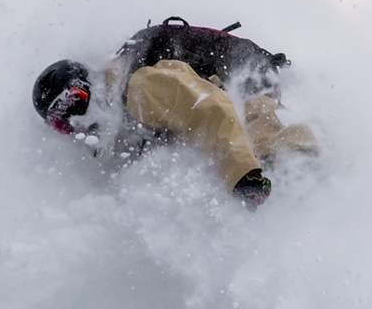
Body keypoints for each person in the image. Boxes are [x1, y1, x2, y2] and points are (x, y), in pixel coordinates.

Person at [32, 17, 317, 209]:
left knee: (268, 144)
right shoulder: (116, 125)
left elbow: (207, 108)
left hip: (244, 79)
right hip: (228, 90)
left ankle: (323, 171)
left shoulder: (139, 87)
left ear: (87, 86)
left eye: (73, 102)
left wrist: (241, 176)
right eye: (61, 123)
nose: (74, 121)